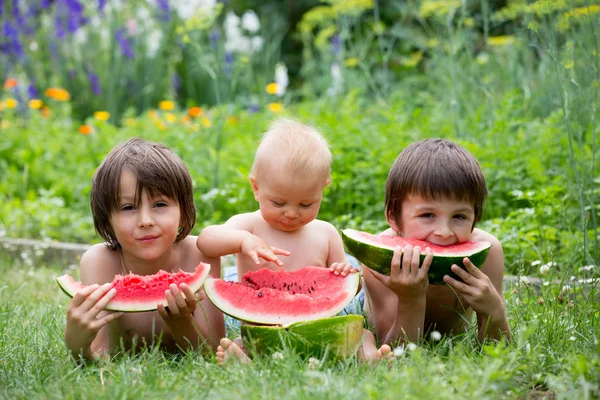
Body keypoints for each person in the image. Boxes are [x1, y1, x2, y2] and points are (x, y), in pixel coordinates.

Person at [197, 118, 392, 363]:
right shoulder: (248, 225)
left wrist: (347, 274)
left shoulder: (326, 232)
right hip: (261, 329)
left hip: (321, 331)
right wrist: (244, 241)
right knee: (241, 343)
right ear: (256, 188)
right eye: (278, 203)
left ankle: (370, 358)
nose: (291, 213)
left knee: (362, 335)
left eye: (306, 204)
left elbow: (349, 288)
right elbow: (206, 240)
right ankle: (240, 359)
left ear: (323, 189)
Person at [63, 138, 224, 361]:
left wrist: (181, 322)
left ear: (183, 211)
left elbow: (213, 354)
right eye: (128, 207)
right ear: (107, 220)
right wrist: (78, 346)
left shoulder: (200, 256)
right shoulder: (99, 262)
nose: (146, 220)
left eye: (160, 204)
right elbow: (100, 357)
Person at [362, 138, 511, 345]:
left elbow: (498, 349)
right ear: (393, 218)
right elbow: (396, 353)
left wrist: (495, 312)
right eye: (427, 215)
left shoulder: (488, 254)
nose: (444, 232)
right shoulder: (378, 258)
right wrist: (410, 299)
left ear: (475, 219)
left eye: (459, 217)